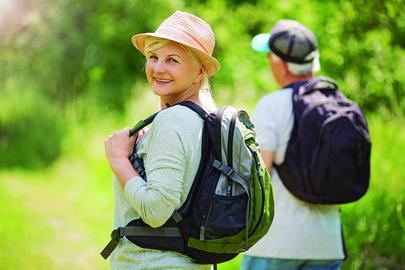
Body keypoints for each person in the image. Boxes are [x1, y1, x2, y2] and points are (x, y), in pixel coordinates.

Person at [103, 10, 220, 269]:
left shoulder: (173, 121)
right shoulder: (207, 117)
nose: (157, 68)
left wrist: (119, 160)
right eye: (153, 57)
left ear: (200, 72)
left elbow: (156, 211)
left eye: (172, 60)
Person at [241, 20, 345, 270]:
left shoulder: (272, 104)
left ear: (281, 64)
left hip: (276, 244)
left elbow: (259, 175)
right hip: (328, 245)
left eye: (270, 57)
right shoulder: (338, 102)